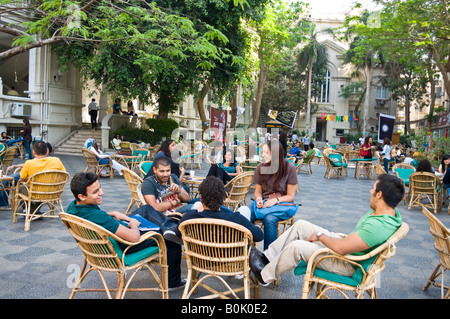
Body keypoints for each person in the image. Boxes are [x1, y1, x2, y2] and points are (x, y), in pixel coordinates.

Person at [249, 173, 404, 285]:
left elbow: (342, 249)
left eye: (373, 188)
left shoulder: (377, 226)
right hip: (346, 246)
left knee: (297, 247)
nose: (370, 191)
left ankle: (264, 275)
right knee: (301, 225)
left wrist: (321, 235)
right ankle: (266, 259)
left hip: (347, 263)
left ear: (379, 195)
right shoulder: (388, 213)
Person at [67, 172, 186, 290]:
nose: (101, 193)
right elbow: (134, 238)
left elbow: (95, 219)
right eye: (95, 192)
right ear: (81, 196)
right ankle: (173, 282)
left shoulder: (73, 208)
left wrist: (112, 214)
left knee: (145, 209)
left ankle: (170, 227)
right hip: (126, 244)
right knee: (169, 238)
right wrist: (133, 225)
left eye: (100, 188)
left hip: (113, 234)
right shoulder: (100, 217)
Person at [176, 176, 264, 242]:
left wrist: (195, 211)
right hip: (231, 263)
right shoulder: (235, 219)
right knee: (244, 210)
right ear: (223, 198)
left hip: (200, 262)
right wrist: (255, 227)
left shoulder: (190, 217)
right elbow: (259, 236)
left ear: (201, 197)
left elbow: (177, 233)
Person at [250, 139, 298, 250]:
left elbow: (291, 196)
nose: (263, 155)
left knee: (269, 219)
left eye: (266, 153)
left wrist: (276, 200)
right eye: (263, 152)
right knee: (245, 215)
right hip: (263, 202)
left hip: (280, 204)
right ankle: (246, 251)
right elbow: (257, 191)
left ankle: (269, 258)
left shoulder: (289, 168)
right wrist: (258, 199)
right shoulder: (260, 168)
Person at [18, 141, 66, 213]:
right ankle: (34, 209)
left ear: (34, 152)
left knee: (17, 188)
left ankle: (31, 208)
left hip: (35, 192)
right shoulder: (56, 160)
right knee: (41, 189)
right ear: (47, 151)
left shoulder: (29, 163)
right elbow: (64, 175)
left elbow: (22, 179)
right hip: (52, 191)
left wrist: (29, 180)